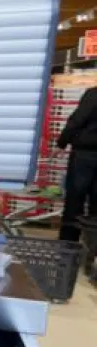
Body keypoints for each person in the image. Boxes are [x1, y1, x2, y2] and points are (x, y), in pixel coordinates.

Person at [57, 86, 97, 241]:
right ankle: (92, 250)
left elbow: (77, 120)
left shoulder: (93, 94)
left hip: (85, 155)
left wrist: (62, 142)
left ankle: (68, 246)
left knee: (74, 201)